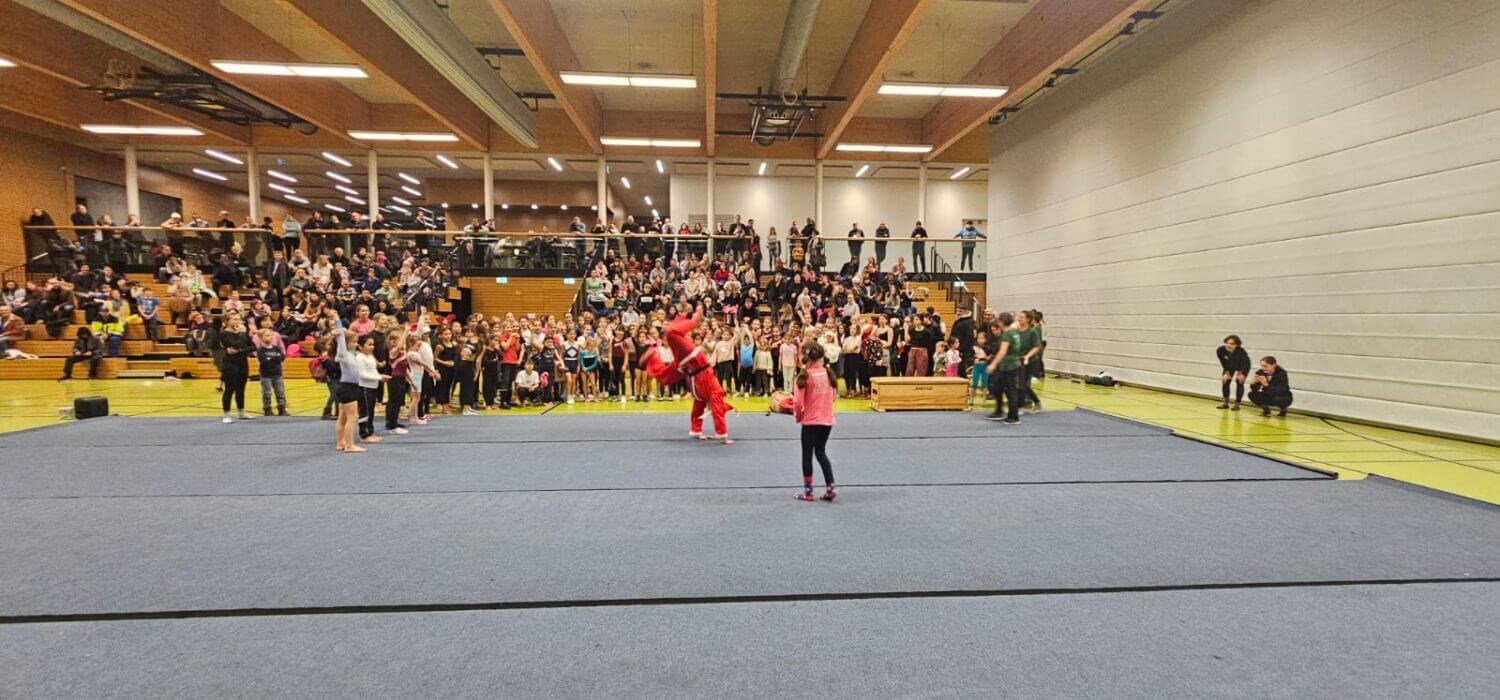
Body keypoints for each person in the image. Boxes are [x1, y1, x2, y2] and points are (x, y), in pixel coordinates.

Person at [640, 303, 735, 443]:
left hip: (692, 373)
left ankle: (696, 430)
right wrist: (694, 318)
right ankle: (721, 434)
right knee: (715, 398)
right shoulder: (683, 343)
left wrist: (684, 316)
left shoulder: (680, 354)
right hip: (699, 367)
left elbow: (666, 376)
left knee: (697, 399)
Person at [792, 341, 838, 502]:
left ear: (805, 357)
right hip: (827, 421)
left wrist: (798, 417)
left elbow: (798, 403)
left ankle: (808, 492)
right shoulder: (829, 373)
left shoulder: (804, 376)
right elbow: (833, 397)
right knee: (821, 452)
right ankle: (830, 489)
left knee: (807, 454)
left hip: (810, 421)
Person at [985, 312, 1027, 424]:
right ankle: (1000, 411)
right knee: (997, 388)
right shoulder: (1015, 332)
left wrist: (993, 364)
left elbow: (1003, 351)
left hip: (1009, 366)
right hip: (1010, 365)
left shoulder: (1007, 334)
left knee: (1010, 392)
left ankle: (1013, 417)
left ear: (1002, 322)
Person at [217, 315, 254, 423]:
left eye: (238, 319)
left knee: (241, 389)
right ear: (227, 321)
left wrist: (239, 350)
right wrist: (241, 339)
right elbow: (233, 344)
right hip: (230, 364)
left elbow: (253, 347)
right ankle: (226, 414)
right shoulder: (224, 334)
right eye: (234, 319)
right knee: (229, 389)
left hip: (243, 362)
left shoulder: (243, 333)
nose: (237, 321)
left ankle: (241, 412)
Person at [255, 329, 289, 417]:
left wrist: (270, 358)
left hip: (277, 374)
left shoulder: (276, 348)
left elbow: (282, 358)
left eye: (270, 335)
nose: (269, 337)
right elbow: (264, 361)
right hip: (266, 375)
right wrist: (275, 357)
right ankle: (267, 409)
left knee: (280, 392)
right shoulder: (260, 350)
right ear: (261, 338)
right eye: (266, 336)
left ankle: (281, 408)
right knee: (267, 393)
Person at [1217, 334, 1251, 410]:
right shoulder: (1220, 350)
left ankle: (1237, 404)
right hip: (1229, 365)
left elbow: (1244, 363)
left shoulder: (1241, 352)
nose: (1228, 345)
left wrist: (1241, 373)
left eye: (1232, 344)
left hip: (1243, 366)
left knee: (1239, 381)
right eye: (1227, 343)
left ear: (1237, 345)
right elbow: (1223, 362)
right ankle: (1225, 403)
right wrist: (1226, 372)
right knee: (1225, 380)